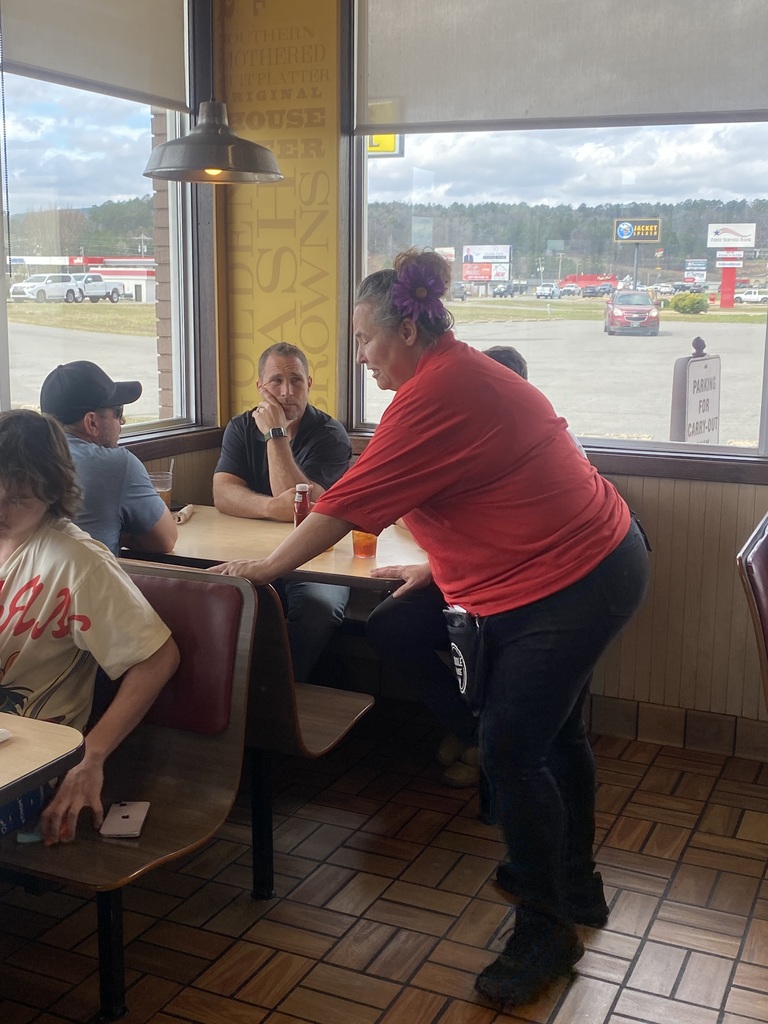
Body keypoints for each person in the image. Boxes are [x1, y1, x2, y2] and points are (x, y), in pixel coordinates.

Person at [210, 249, 649, 1009]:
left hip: (576, 577)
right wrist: (440, 567)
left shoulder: (438, 392)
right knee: (414, 631)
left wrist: (266, 572)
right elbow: (484, 489)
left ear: (406, 331)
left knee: (517, 748)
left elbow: (341, 508)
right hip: (566, 564)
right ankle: (574, 881)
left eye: (366, 340)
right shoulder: (449, 375)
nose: (360, 355)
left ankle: (545, 928)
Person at [0, 410, 179, 844]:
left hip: (35, 763)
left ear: (51, 491)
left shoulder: (77, 561)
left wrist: (91, 757)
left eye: (17, 499)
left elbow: (158, 658)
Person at [213, 342, 352, 682]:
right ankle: (233, 695)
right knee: (211, 591)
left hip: (317, 557)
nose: (287, 391)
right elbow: (223, 493)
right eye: (276, 381)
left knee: (318, 609)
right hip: (251, 548)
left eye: (296, 380)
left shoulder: (330, 434)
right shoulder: (241, 427)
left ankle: (281, 695)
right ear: (260, 387)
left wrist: (276, 434)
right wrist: (271, 507)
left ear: (310, 384)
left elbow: (302, 502)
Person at [39, 360, 177, 557]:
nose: (123, 421)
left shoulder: (24, 459)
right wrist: (121, 534)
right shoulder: (117, 465)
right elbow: (165, 540)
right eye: (117, 411)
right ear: (92, 422)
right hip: (89, 586)